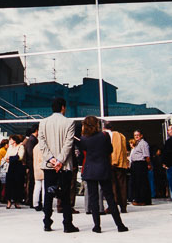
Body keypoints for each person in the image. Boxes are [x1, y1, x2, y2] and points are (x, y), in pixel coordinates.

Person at [78, 117, 129, 233]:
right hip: (103, 169)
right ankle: (119, 225)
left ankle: (97, 226)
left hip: (90, 170)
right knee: (110, 197)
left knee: (93, 199)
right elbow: (110, 150)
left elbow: (83, 152)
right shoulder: (104, 136)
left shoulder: (83, 138)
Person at [39, 97, 79, 233]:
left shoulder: (43, 123)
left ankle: (47, 223)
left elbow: (42, 144)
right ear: (63, 107)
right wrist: (60, 161)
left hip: (48, 166)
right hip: (64, 166)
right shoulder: (69, 122)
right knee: (65, 195)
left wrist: (51, 159)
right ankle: (67, 224)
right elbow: (69, 144)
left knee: (48, 195)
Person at [107, 123, 129, 214]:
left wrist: (114, 161)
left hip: (115, 164)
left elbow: (116, 149)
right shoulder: (122, 136)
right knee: (122, 185)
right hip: (121, 164)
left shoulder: (115, 135)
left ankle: (114, 206)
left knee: (114, 186)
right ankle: (123, 206)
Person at [2, 134, 26, 209]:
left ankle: (16, 201)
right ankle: (9, 201)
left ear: (14, 140)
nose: (10, 141)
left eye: (11, 139)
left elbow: (20, 157)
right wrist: (12, 158)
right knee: (9, 185)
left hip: (18, 168)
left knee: (18, 185)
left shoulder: (20, 146)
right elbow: (5, 157)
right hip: (10, 168)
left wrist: (11, 158)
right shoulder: (10, 148)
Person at [129, 130, 152, 206]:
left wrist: (148, 164)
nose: (136, 136)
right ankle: (138, 199)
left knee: (142, 182)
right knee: (136, 183)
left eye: (138, 135)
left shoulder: (143, 143)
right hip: (135, 164)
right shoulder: (136, 144)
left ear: (141, 135)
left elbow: (147, 156)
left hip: (140, 164)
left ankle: (143, 200)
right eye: (135, 135)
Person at [23, 125, 39, 206]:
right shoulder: (32, 140)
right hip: (32, 164)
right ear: (37, 130)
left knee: (32, 183)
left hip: (31, 164)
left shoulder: (31, 139)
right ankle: (30, 200)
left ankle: (31, 200)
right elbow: (30, 153)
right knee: (32, 183)